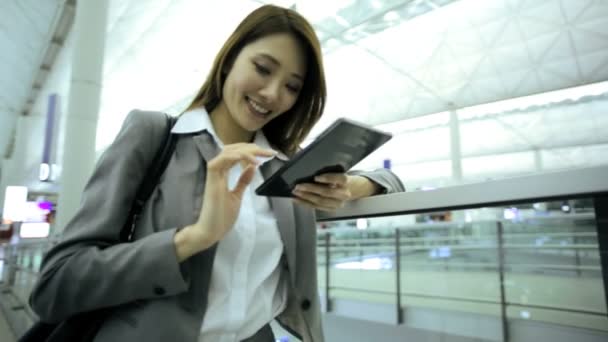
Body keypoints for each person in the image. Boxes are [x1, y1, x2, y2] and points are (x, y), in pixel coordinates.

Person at [29, 4, 404, 342]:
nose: (273, 93)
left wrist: (352, 185)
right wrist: (192, 239)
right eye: (262, 68)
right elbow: (56, 284)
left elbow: (394, 182)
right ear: (228, 60)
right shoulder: (155, 137)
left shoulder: (283, 169)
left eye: (292, 86)